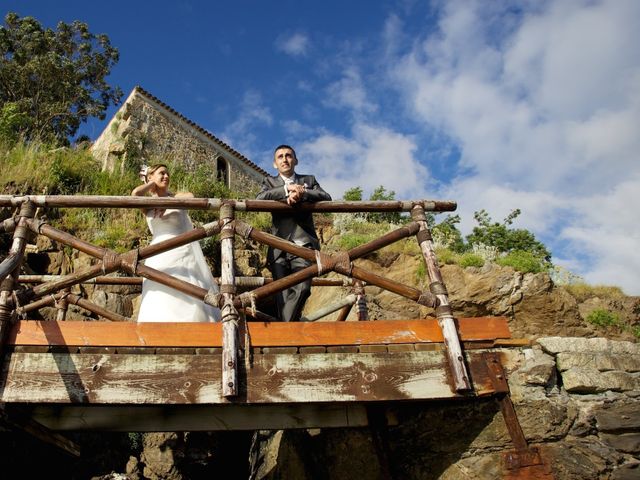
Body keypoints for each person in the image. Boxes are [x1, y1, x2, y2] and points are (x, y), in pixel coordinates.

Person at [132, 163, 221, 322]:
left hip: (181, 249)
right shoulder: (148, 205)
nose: (166, 176)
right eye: (161, 173)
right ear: (151, 177)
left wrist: (168, 201)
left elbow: (191, 196)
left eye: (167, 174)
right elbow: (135, 194)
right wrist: (152, 184)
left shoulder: (176, 197)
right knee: (159, 291)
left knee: (188, 289)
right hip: (158, 253)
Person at [256, 145, 331, 322]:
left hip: (303, 244)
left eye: (288, 156)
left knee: (303, 289)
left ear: (295, 160)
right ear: (275, 164)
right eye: (280, 157)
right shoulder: (268, 182)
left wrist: (302, 192)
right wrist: (286, 191)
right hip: (277, 247)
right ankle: (289, 335)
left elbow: (325, 196)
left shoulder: (308, 179)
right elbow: (259, 199)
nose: (285, 159)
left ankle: (282, 332)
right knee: (281, 296)